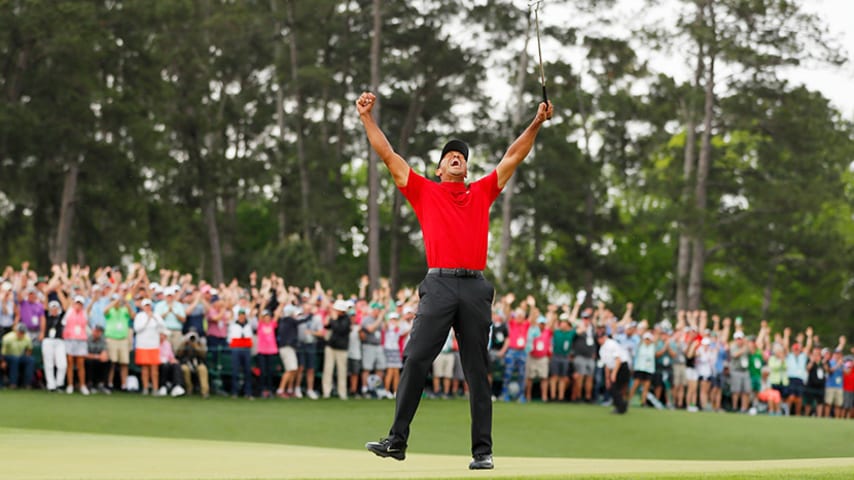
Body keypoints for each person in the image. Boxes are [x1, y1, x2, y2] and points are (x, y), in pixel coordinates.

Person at [358, 90, 553, 470]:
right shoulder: (423, 190)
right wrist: (366, 117)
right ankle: (397, 441)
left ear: (465, 166)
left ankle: (482, 452)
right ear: (439, 168)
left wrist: (536, 122)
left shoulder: (481, 191)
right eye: (450, 153)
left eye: (461, 154)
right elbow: (387, 155)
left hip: (475, 287)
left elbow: (514, 155)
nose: (456, 155)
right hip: (440, 285)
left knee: (477, 370)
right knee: (415, 359)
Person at [134, 298, 165, 395]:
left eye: (149, 305)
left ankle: (155, 388)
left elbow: (162, 327)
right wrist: (148, 319)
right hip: (142, 345)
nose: (148, 307)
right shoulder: (139, 316)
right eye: (146, 305)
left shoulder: (156, 316)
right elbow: (138, 329)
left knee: (154, 368)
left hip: (154, 345)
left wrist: (154, 318)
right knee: (144, 368)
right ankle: (145, 387)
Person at [104, 291, 133, 391]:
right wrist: (115, 301)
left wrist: (125, 302)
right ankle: (110, 383)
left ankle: (124, 385)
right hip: (112, 339)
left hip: (123, 339)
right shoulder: (110, 310)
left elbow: (132, 315)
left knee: (124, 363)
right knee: (112, 362)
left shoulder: (124, 310)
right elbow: (105, 310)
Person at [322, 299, 351, 400]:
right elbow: (327, 327)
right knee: (328, 370)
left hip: (342, 348)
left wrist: (333, 320)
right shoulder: (333, 318)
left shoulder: (346, 319)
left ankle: (342, 393)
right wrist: (328, 321)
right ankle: (326, 392)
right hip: (331, 347)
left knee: (342, 371)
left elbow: (340, 330)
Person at [597, 332, 632, 414]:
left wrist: (614, 374)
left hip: (621, 367)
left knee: (615, 388)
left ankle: (620, 406)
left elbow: (618, 360)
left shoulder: (611, 344)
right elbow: (607, 365)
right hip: (615, 368)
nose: (600, 340)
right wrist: (607, 378)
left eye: (601, 337)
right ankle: (622, 404)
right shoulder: (602, 350)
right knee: (613, 388)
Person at [63, 295, 90, 394]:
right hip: (70, 339)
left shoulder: (85, 313)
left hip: (81, 340)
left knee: (80, 364)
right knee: (69, 363)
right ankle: (70, 385)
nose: (78, 305)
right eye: (76, 303)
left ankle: (82, 385)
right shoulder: (69, 311)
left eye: (80, 304)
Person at [41, 299, 68, 392]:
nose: (54, 310)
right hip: (48, 340)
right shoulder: (47, 317)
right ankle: (51, 385)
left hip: (59, 341)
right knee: (49, 364)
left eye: (56, 308)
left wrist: (59, 290)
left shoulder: (61, 317)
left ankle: (59, 384)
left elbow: (65, 306)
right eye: (52, 308)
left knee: (62, 364)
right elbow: (44, 307)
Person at [228, 309, 255, 399]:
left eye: (243, 315)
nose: (242, 317)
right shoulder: (233, 324)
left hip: (246, 349)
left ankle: (248, 392)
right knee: (235, 371)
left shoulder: (248, 324)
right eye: (240, 315)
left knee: (247, 371)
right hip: (236, 348)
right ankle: (234, 392)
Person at [177, 328, 210, 398]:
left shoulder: (200, 343)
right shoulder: (184, 344)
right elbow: (178, 354)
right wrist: (184, 344)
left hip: (198, 363)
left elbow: (203, 355)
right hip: (187, 363)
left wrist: (196, 346)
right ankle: (189, 389)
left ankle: (205, 392)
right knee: (184, 369)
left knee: (203, 369)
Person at [1, 323, 34, 388]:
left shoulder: (27, 338)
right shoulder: (8, 338)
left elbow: (29, 349)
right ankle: (13, 384)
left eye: (23, 332)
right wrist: (2, 361)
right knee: (14, 359)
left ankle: (27, 384)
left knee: (30, 360)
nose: (21, 334)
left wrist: (27, 355)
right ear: (16, 331)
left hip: (20, 356)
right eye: (20, 332)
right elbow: (2, 352)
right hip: (8, 357)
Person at [85, 325, 111, 393]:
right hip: (90, 359)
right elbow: (85, 354)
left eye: (99, 332)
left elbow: (105, 353)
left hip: (98, 359)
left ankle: (102, 384)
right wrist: (97, 356)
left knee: (107, 362)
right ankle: (90, 384)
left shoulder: (102, 339)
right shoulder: (88, 339)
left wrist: (102, 355)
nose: (97, 333)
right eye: (96, 331)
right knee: (89, 362)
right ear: (93, 331)